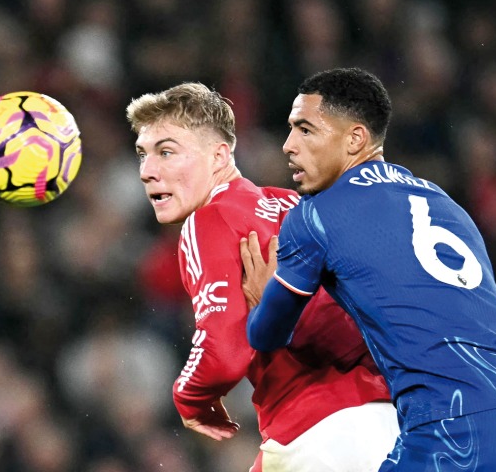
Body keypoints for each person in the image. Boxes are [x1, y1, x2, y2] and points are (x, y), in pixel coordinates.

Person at [244, 67, 496, 471]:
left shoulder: (316, 217)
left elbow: (267, 333)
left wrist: (263, 297)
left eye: (306, 130)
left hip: (455, 432)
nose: (288, 145)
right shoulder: (449, 206)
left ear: (355, 139)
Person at [126, 83, 397, 472]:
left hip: (318, 432)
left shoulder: (211, 219)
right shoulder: (298, 205)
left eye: (166, 152)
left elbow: (223, 352)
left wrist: (190, 398)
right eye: (142, 155)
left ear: (219, 155)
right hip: (390, 421)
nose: (148, 172)